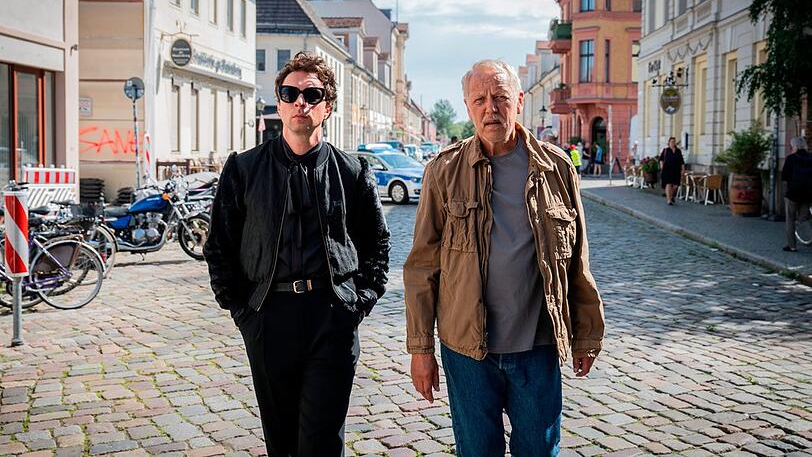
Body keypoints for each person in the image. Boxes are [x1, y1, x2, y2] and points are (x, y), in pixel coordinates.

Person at [404, 59, 604, 456]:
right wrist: (420, 350)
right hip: (468, 353)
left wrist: (586, 333)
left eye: (500, 98)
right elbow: (422, 266)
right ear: (467, 106)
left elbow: (577, 260)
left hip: (538, 346)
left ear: (520, 102)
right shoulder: (443, 171)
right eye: (479, 99)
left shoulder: (557, 169)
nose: (490, 108)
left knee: (539, 451)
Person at [203, 51, 391, 456]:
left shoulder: (352, 171)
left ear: (327, 106)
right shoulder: (244, 168)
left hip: (332, 317)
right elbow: (218, 245)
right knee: (282, 443)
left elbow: (377, 246)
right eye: (290, 93)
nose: (299, 102)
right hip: (269, 319)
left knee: (322, 443)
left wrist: (357, 305)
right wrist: (243, 312)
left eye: (312, 94)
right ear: (279, 103)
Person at [782, 136, 812, 252]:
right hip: (808, 194)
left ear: (794, 146)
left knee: (790, 219)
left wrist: (785, 193)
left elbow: (785, 177)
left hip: (793, 194)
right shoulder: (811, 157)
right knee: (804, 219)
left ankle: (792, 246)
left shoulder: (791, 158)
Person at [659, 137, 685, 205]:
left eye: (674, 141)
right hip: (667, 170)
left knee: (676, 186)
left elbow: (681, 161)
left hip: (676, 170)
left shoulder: (678, 151)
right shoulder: (666, 150)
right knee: (668, 184)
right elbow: (661, 159)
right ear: (669, 142)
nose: (673, 143)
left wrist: (682, 169)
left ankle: (671, 195)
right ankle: (669, 200)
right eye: (671, 141)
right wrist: (662, 167)